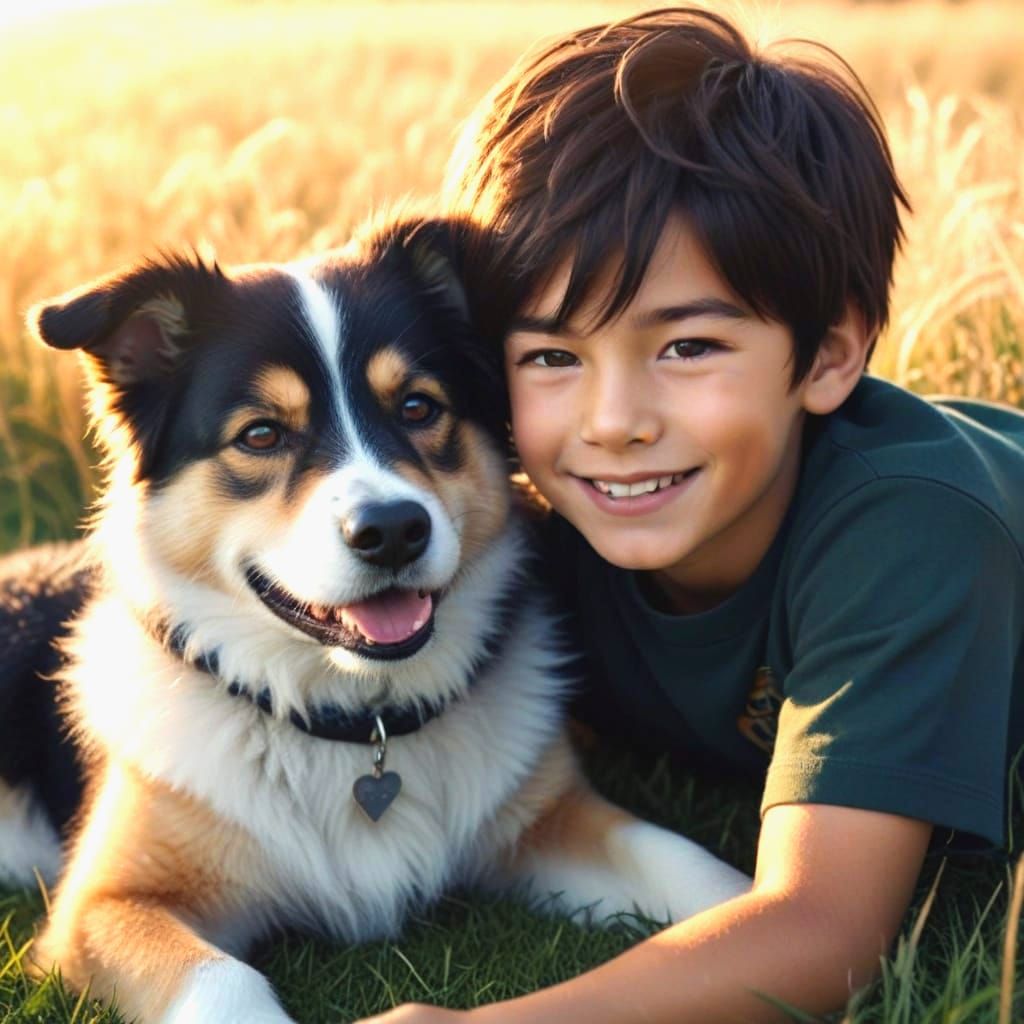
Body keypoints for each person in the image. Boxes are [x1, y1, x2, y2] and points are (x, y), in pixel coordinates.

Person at [357, 7, 1024, 1022]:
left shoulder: (906, 529)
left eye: (687, 348)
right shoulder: (522, 536)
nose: (614, 423)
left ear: (830, 353)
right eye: (552, 356)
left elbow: (824, 932)